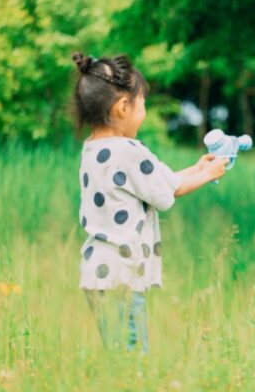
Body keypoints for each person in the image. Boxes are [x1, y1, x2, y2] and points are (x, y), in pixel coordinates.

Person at [72, 52, 228, 352]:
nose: (143, 112)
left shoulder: (92, 150)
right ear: (122, 107)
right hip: (122, 273)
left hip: (97, 272)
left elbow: (160, 183)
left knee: (116, 351)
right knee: (132, 357)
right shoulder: (128, 150)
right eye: (142, 104)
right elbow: (170, 192)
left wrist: (197, 168)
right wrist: (208, 174)